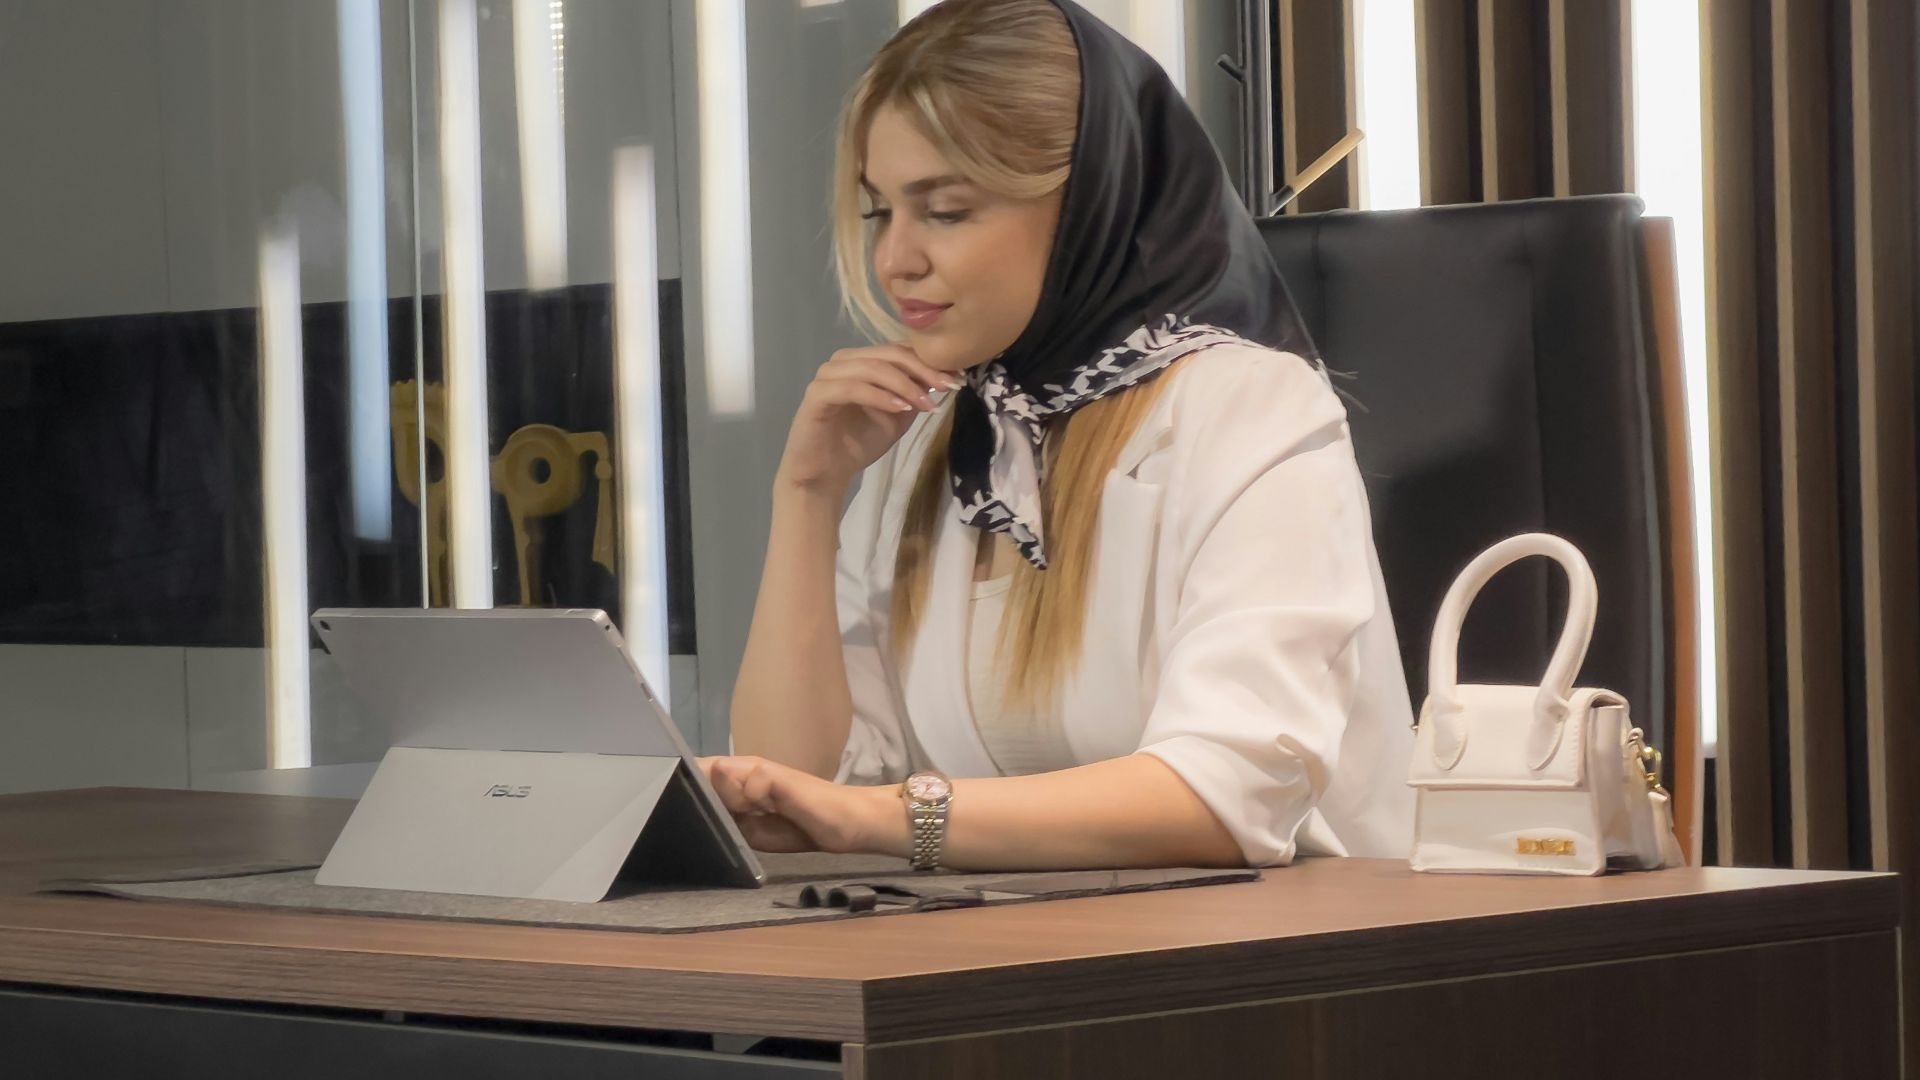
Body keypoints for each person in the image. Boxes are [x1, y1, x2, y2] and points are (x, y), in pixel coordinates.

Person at [699, 0, 1414, 873]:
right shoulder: (930, 442)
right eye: (881, 212)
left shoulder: (1252, 408)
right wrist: (806, 498)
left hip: (1290, 981)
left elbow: (1227, 795)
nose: (895, 261)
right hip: (1019, 965)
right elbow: (794, 784)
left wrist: (890, 818)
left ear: (1087, 207)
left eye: (947, 211)